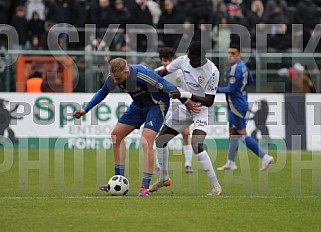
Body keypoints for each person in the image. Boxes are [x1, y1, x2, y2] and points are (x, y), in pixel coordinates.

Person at [73, 58, 196, 196]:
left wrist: (186, 102)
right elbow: (103, 91)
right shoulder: (113, 77)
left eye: (119, 78)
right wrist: (85, 110)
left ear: (126, 71)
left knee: (145, 141)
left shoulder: (143, 75)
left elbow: (169, 87)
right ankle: (118, 180)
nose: (116, 81)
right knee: (116, 136)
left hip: (156, 105)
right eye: (114, 78)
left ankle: (145, 187)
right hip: (138, 106)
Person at [149, 41, 223, 196]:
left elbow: (209, 101)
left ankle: (216, 187)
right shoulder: (183, 60)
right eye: (188, 56)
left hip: (202, 110)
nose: (189, 61)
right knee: (160, 140)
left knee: (196, 144)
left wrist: (184, 95)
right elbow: (162, 72)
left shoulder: (213, 72)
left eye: (193, 58)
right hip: (185, 106)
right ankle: (163, 178)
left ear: (202, 58)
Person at [216, 45, 274, 171]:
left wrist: (214, 89)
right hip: (238, 102)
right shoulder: (243, 66)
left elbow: (230, 89)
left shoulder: (235, 69)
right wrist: (242, 90)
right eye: (229, 53)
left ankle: (265, 156)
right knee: (233, 133)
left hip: (236, 104)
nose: (230, 55)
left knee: (241, 134)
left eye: (233, 53)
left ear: (239, 54)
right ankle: (231, 162)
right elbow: (251, 81)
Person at [154, 47, 194, 174]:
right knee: (160, 135)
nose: (167, 63)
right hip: (164, 106)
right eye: (165, 60)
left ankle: (188, 164)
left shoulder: (181, 72)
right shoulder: (157, 73)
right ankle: (159, 165)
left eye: (169, 60)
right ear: (161, 61)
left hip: (181, 105)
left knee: (186, 133)